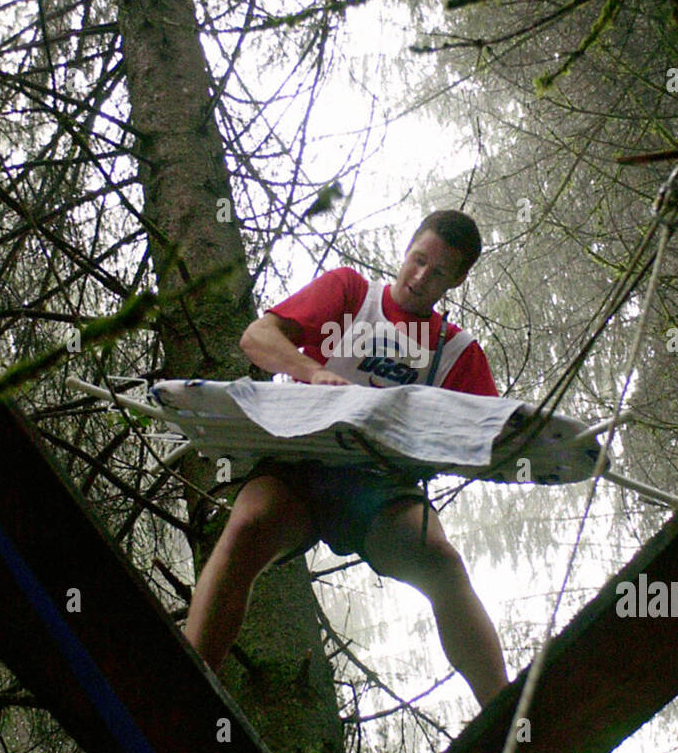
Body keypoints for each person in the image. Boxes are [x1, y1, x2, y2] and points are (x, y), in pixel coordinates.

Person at [185, 210, 510, 707]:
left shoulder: (458, 353)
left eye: (439, 272)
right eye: (419, 260)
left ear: (458, 280)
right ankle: (188, 680)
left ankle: (501, 711)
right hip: (299, 460)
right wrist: (312, 372)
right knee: (250, 524)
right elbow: (258, 337)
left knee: (440, 560)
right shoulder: (351, 293)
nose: (421, 277)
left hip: (378, 485)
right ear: (407, 248)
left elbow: (492, 440)